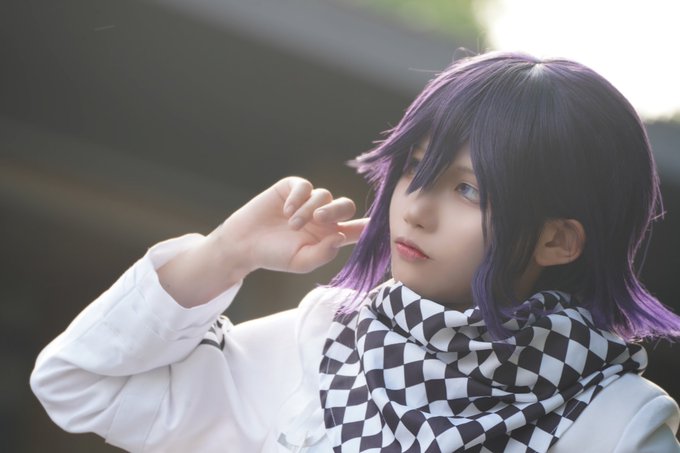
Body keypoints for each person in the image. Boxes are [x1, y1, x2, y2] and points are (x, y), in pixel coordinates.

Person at [31, 51, 680, 452]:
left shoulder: (616, 422)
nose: (415, 206)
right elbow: (78, 383)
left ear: (558, 239)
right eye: (416, 167)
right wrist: (227, 251)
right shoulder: (325, 343)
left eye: (468, 189)